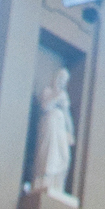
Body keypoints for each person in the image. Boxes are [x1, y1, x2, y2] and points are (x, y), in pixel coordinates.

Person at [31, 64, 76, 197]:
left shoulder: (64, 96)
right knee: (49, 154)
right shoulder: (48, 92)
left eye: (65, 80)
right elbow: (45, 107)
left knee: (64, 156)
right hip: (50, 126)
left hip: (60, 129)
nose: (62, 82)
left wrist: (70, 132)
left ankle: (57, 184)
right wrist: (57, 97)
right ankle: (44, 180)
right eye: (61, 78)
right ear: (56, 78)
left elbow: (67, 115)